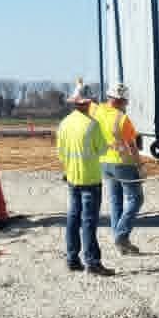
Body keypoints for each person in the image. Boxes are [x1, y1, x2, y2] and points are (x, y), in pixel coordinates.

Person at [55, 82, 113, 275]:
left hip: (72, 178)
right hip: (90, 180)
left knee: (72, 219)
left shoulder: (64, 124)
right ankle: (93, 262)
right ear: (89, 103)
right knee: (88, 221)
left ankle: (72, 259)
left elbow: (61, 153)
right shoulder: (92, 126)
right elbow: (103, 149)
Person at [93, 81, 144, 255]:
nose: (127, 104)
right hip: (123, 163)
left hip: (104, 163)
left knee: (116, 200)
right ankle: (121, 235)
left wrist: (79, 87)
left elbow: (80, 102)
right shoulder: (122, 119)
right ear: (121, 101)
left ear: (109, 97)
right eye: (126, 101)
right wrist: (140, 166)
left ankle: (119, 240)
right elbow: (132, 146)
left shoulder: (97, 111)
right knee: (135, 199)